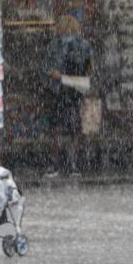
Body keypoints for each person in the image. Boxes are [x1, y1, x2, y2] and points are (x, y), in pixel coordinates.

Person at [44, 15, 92, 176]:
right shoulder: (84, 45)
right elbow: (90, 68)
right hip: (76, 91)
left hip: (58, 91)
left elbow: (47, 69)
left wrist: (57, 76)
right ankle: (74, 164)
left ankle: (54, 164)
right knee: (75, 130)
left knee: (55, 129)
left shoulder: (54, 45)